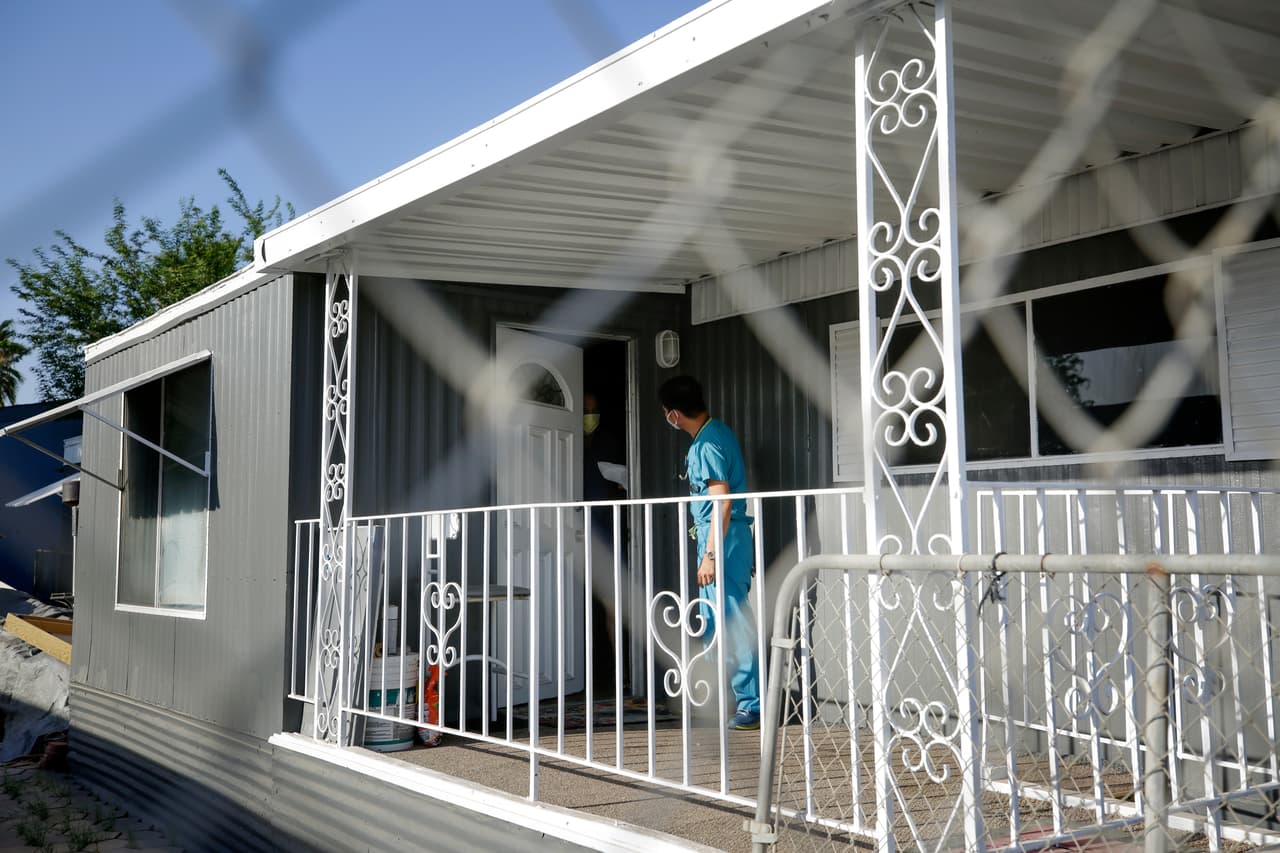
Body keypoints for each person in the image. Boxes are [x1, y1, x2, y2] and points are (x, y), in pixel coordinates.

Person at [658, 375, 760, 731]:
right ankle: (729, 699)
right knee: (716, 619)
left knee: (731, 618)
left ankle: (751, 704)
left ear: (674, 414)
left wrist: (711, 555)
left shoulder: (706, 445)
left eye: (665, 412)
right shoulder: (717, 433)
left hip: (722, 537)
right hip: (721, 536)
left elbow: (722, 503)